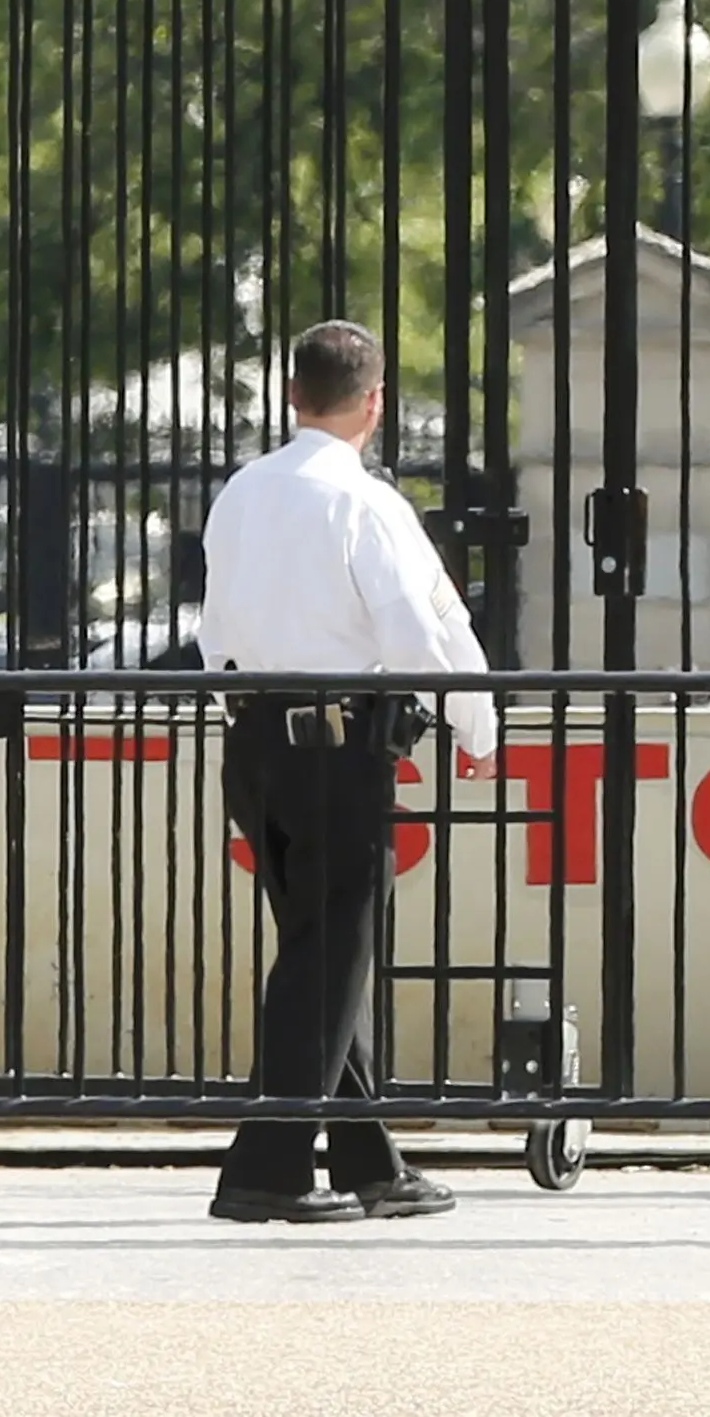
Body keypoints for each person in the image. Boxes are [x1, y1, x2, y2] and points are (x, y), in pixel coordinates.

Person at [192, 320, 501, 1225]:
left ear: (293, 396)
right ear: (375, 403)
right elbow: (422, 627)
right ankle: (269, 1167)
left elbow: (217, 624)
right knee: (327, 958)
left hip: (251, 741)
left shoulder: (241, 492)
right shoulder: (367, 504)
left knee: (321, 954)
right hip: (336, 743)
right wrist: (472, 719)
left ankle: (372, 1161)